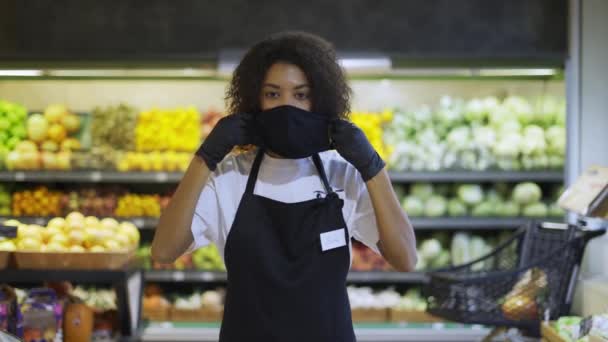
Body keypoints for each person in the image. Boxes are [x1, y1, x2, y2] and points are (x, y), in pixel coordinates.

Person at [151, 31, 417, 341]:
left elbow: (405, 258)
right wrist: (205, 158)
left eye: (301, 95)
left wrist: (372, 166)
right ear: (255, 101)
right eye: (273, 94)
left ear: (320, 101)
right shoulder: (228, 178)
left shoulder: (341, 175)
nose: (287, 107)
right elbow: (164, 251)